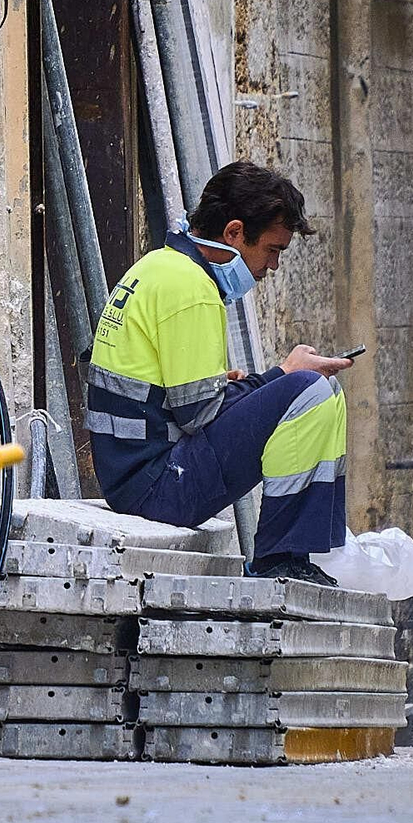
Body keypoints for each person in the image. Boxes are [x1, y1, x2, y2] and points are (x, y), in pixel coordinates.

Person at [84, 161, 352, 585]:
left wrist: (233, 385)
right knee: (312, 390)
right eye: (272, 249)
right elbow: (198, 417)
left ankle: (294, 551)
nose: (273, 265)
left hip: (133, 479)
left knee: (320, 388)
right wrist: (282, 374)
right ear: (234, 233)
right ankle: (280, 558)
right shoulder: (193, 289)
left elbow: (165, 394)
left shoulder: (157, 267)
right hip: (158, 488)